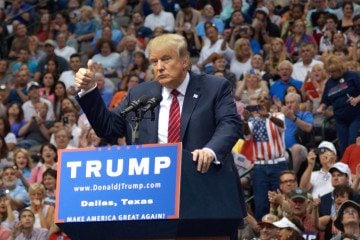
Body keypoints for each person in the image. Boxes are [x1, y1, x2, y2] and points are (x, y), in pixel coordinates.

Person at [75, 33, 246, 234]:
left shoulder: (214, 87)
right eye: (154, 61)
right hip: (154, 198)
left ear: (185, 61)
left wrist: (210, 150)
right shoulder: (139, 94)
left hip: (205, 194)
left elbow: (230, 123)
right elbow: (108, 128)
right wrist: (89, 91)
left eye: (166, 59)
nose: (159, 67)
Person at [317, 55, 360, 156]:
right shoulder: (329, 83)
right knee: (343, 146)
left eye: (334, 71)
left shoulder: (353, 76)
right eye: (330, 72)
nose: (332, 74)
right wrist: (320, 108)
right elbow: (325, 101)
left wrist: (357, 99)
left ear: (340, 68)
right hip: (340, 120)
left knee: (352, 142)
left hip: (355, 116)